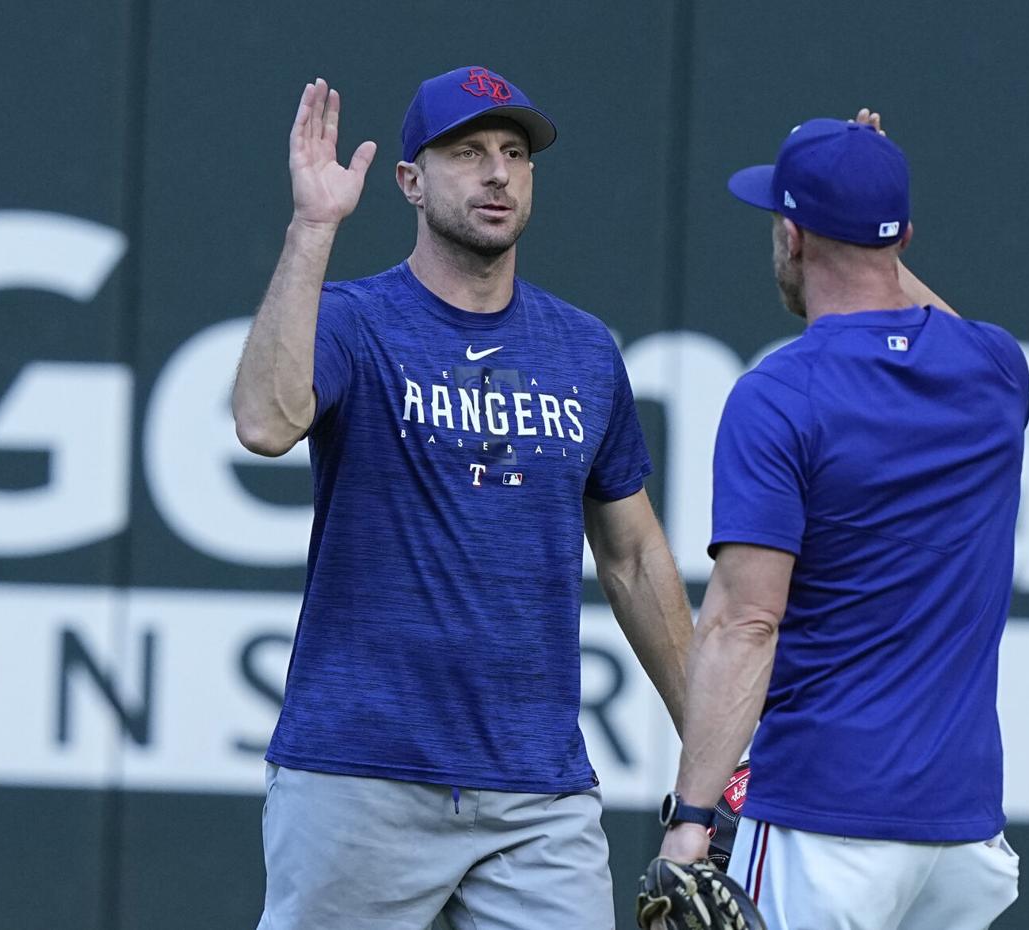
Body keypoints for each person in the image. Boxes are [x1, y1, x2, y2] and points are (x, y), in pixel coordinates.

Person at [231, 66, 694, 930]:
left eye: (516, 153)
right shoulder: (351, 321)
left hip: (536, 792)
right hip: (360, 773)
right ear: (409, 181)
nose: (497, 174)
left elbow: (632, 558)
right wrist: (312, 228)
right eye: (468, 152)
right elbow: (263, 422)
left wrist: (714, 756)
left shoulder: (585, 351)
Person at [653, 110, 1028, 930]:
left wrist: (690, 819)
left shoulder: (779, 394)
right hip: (961, 838)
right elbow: (907, 306)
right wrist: (865, 203)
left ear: (791, 233)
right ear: (904, 239)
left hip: (826, 821)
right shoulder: (996, 370)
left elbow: (746, 622)